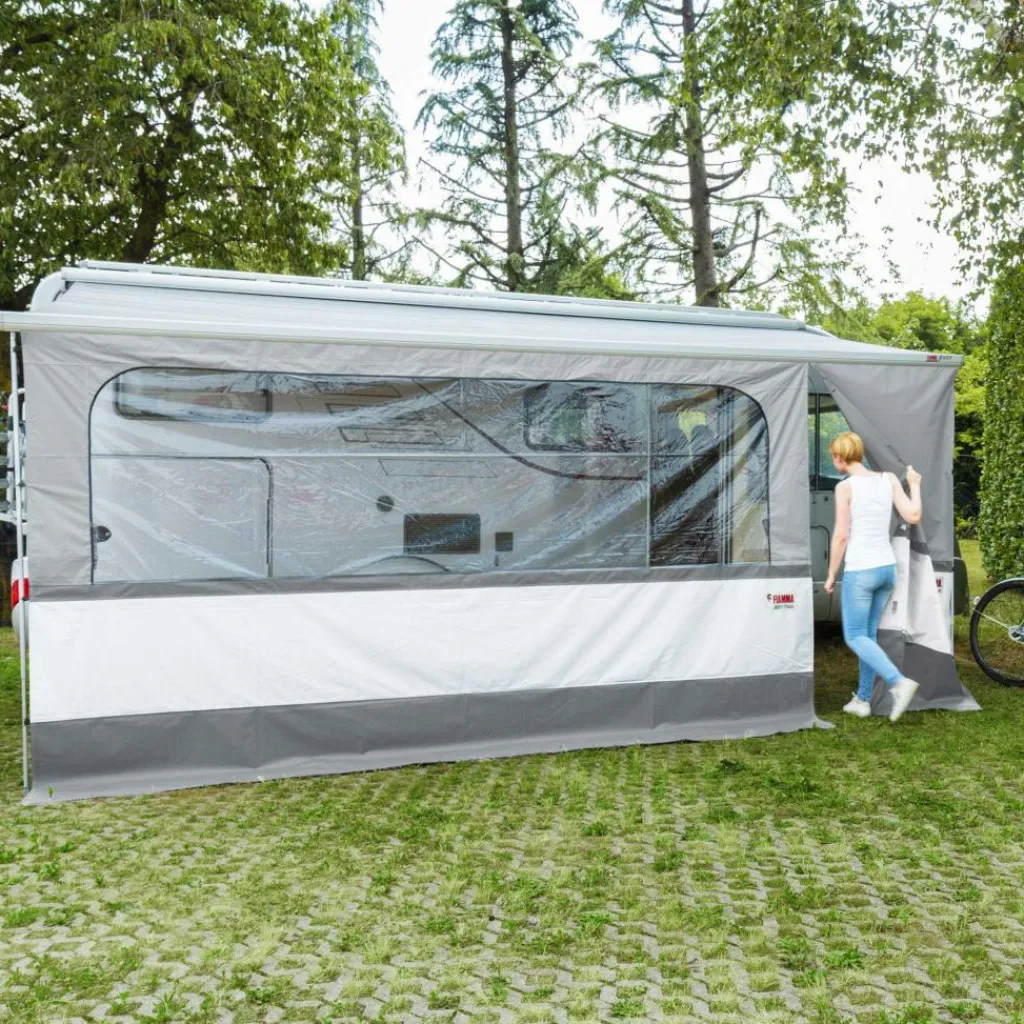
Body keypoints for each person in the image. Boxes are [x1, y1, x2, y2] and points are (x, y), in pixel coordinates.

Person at [823, 432, 923, 722]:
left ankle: (898, 682)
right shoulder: (888, 479)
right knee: (867, 637)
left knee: (855, 636)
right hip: (886, 569)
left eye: (833, 456)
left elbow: (841, 535)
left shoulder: (845, 487)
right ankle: (863, 700)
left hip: (861, 571)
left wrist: (831, 574)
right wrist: (915, 485)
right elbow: (913, 516)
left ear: (840, 457)